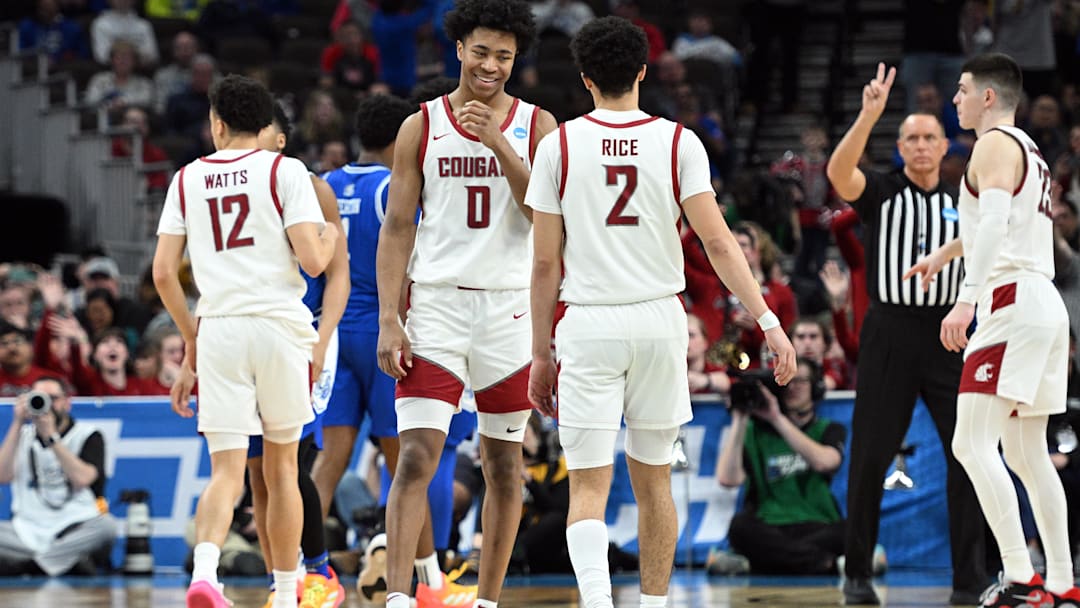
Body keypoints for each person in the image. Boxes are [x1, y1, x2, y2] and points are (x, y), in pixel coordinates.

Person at [525, 16, 796, 608]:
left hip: (588, 323)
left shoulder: (559, 145)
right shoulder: (679, 141)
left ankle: (598, 604)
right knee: (655, 484)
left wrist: (539, 354)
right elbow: (721, 244)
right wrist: (770, 323)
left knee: (589, 487)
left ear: (585, 79)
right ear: (645, 73)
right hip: (657, 321)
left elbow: (544, 265)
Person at [374, 0, 557, 605]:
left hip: (509, 310)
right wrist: (389, 319)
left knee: (505, 468)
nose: (491, 65)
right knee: (417, 457)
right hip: (437, 309)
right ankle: (401, 597)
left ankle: (485, 600)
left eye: (503, 56)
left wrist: (500, 145)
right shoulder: (419, 125)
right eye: (481, 51)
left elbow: (543, 216)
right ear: (459, 49)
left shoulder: (539, 125)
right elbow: (398, 226)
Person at [152, 74, 338, 608]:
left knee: (228, 470)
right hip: (279, 328)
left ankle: (206, 573)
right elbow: (313, 259)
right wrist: (329, 233)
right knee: (282, 469)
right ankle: (284, 594)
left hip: (221, 330)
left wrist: (192, 338)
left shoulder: (186, 178)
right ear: (266, 126)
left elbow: (164, 273)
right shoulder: (286, 170)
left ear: (216, 123)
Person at [905, 52, 1080, 606]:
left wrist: (964, 300)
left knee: (970, 442)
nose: (953, 98)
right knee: (1026, 454)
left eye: (960, 90)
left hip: (1010, 304)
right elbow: (996, 224)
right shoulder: (1027, 148)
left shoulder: (994, 143)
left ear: (987, 96)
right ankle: (1061, 582)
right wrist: (944, 254)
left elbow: (999, 222)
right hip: (1043, 304)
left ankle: (1019, 577)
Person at [825, 62, 989, 605]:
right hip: (890, 332)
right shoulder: (881, 192)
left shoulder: (968, 197)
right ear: (900, 147)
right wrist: (869, 115)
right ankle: (857, 574)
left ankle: (970, 578)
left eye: (930, 138)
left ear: (945, 146)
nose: (921, 146)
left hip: (951, 334)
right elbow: (838, 174)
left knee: (967, 454)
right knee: (870, 454)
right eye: (912, 138)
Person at [316, 93, 477, 605]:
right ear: (400, 137)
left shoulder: (330, 185)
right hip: (387, 332)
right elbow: (414, 254)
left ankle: (305, 571)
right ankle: (427, 581)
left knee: (329, 461)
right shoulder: (397, 184)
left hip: (336, 332)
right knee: (408, 462)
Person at [244, 101, 350, 608]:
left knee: (292, 464)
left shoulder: (312, 186)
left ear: (281, 140)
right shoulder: (232, 185)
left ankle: (320, 570)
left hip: (302, 337)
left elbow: (338, 271)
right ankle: (278, 577)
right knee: (257, 472)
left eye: (258, 131)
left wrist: (325, 333)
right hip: (250, 338)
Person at [716, 359, 845, 574]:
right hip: (770, 525)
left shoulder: (829, 428)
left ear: (817, 387)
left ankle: (758, 563)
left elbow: (825, 462)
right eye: (787, 381)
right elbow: (728, 479)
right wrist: (740, 419)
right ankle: (824, 563)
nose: (793, 387)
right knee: (739, 528)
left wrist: (777, 419)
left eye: (801, 381)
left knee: (850, 531)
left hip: (818, 523)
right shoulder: (754, 432)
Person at [0, 376, 116, 576]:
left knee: (107, 527)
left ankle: (30, 566)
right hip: (27, 527)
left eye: (53, 398)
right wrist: (17, 423)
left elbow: (83, 479)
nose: (46, 405)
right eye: (38, 398)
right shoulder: (22, 435)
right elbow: (2, 476)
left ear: (67, 402)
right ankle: (62, 563)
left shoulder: (88, 434)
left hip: (73, 524)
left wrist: (51, 438)